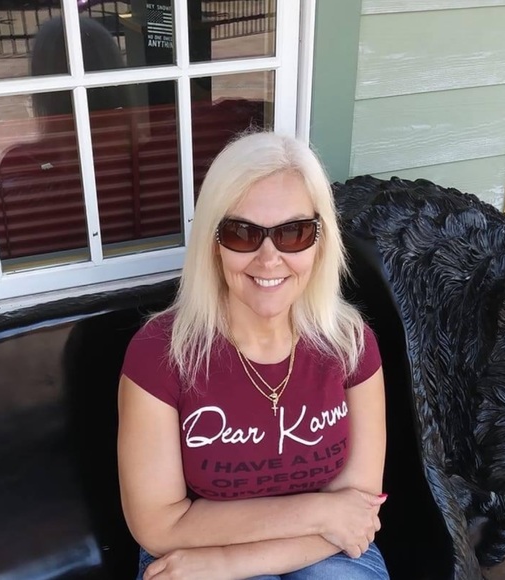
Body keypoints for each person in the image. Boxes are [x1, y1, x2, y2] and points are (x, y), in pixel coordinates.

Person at [118, 130, 389, 580]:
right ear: (213, 242)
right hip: (197, 546)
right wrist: (321, 513)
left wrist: (231, 563)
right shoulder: (160, 354)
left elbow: (356, 514)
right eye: (242, 233)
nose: (269, 259)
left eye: (294, 233)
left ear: (321, 241)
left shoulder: (351, 344)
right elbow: (160, 525)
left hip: (323, 550)